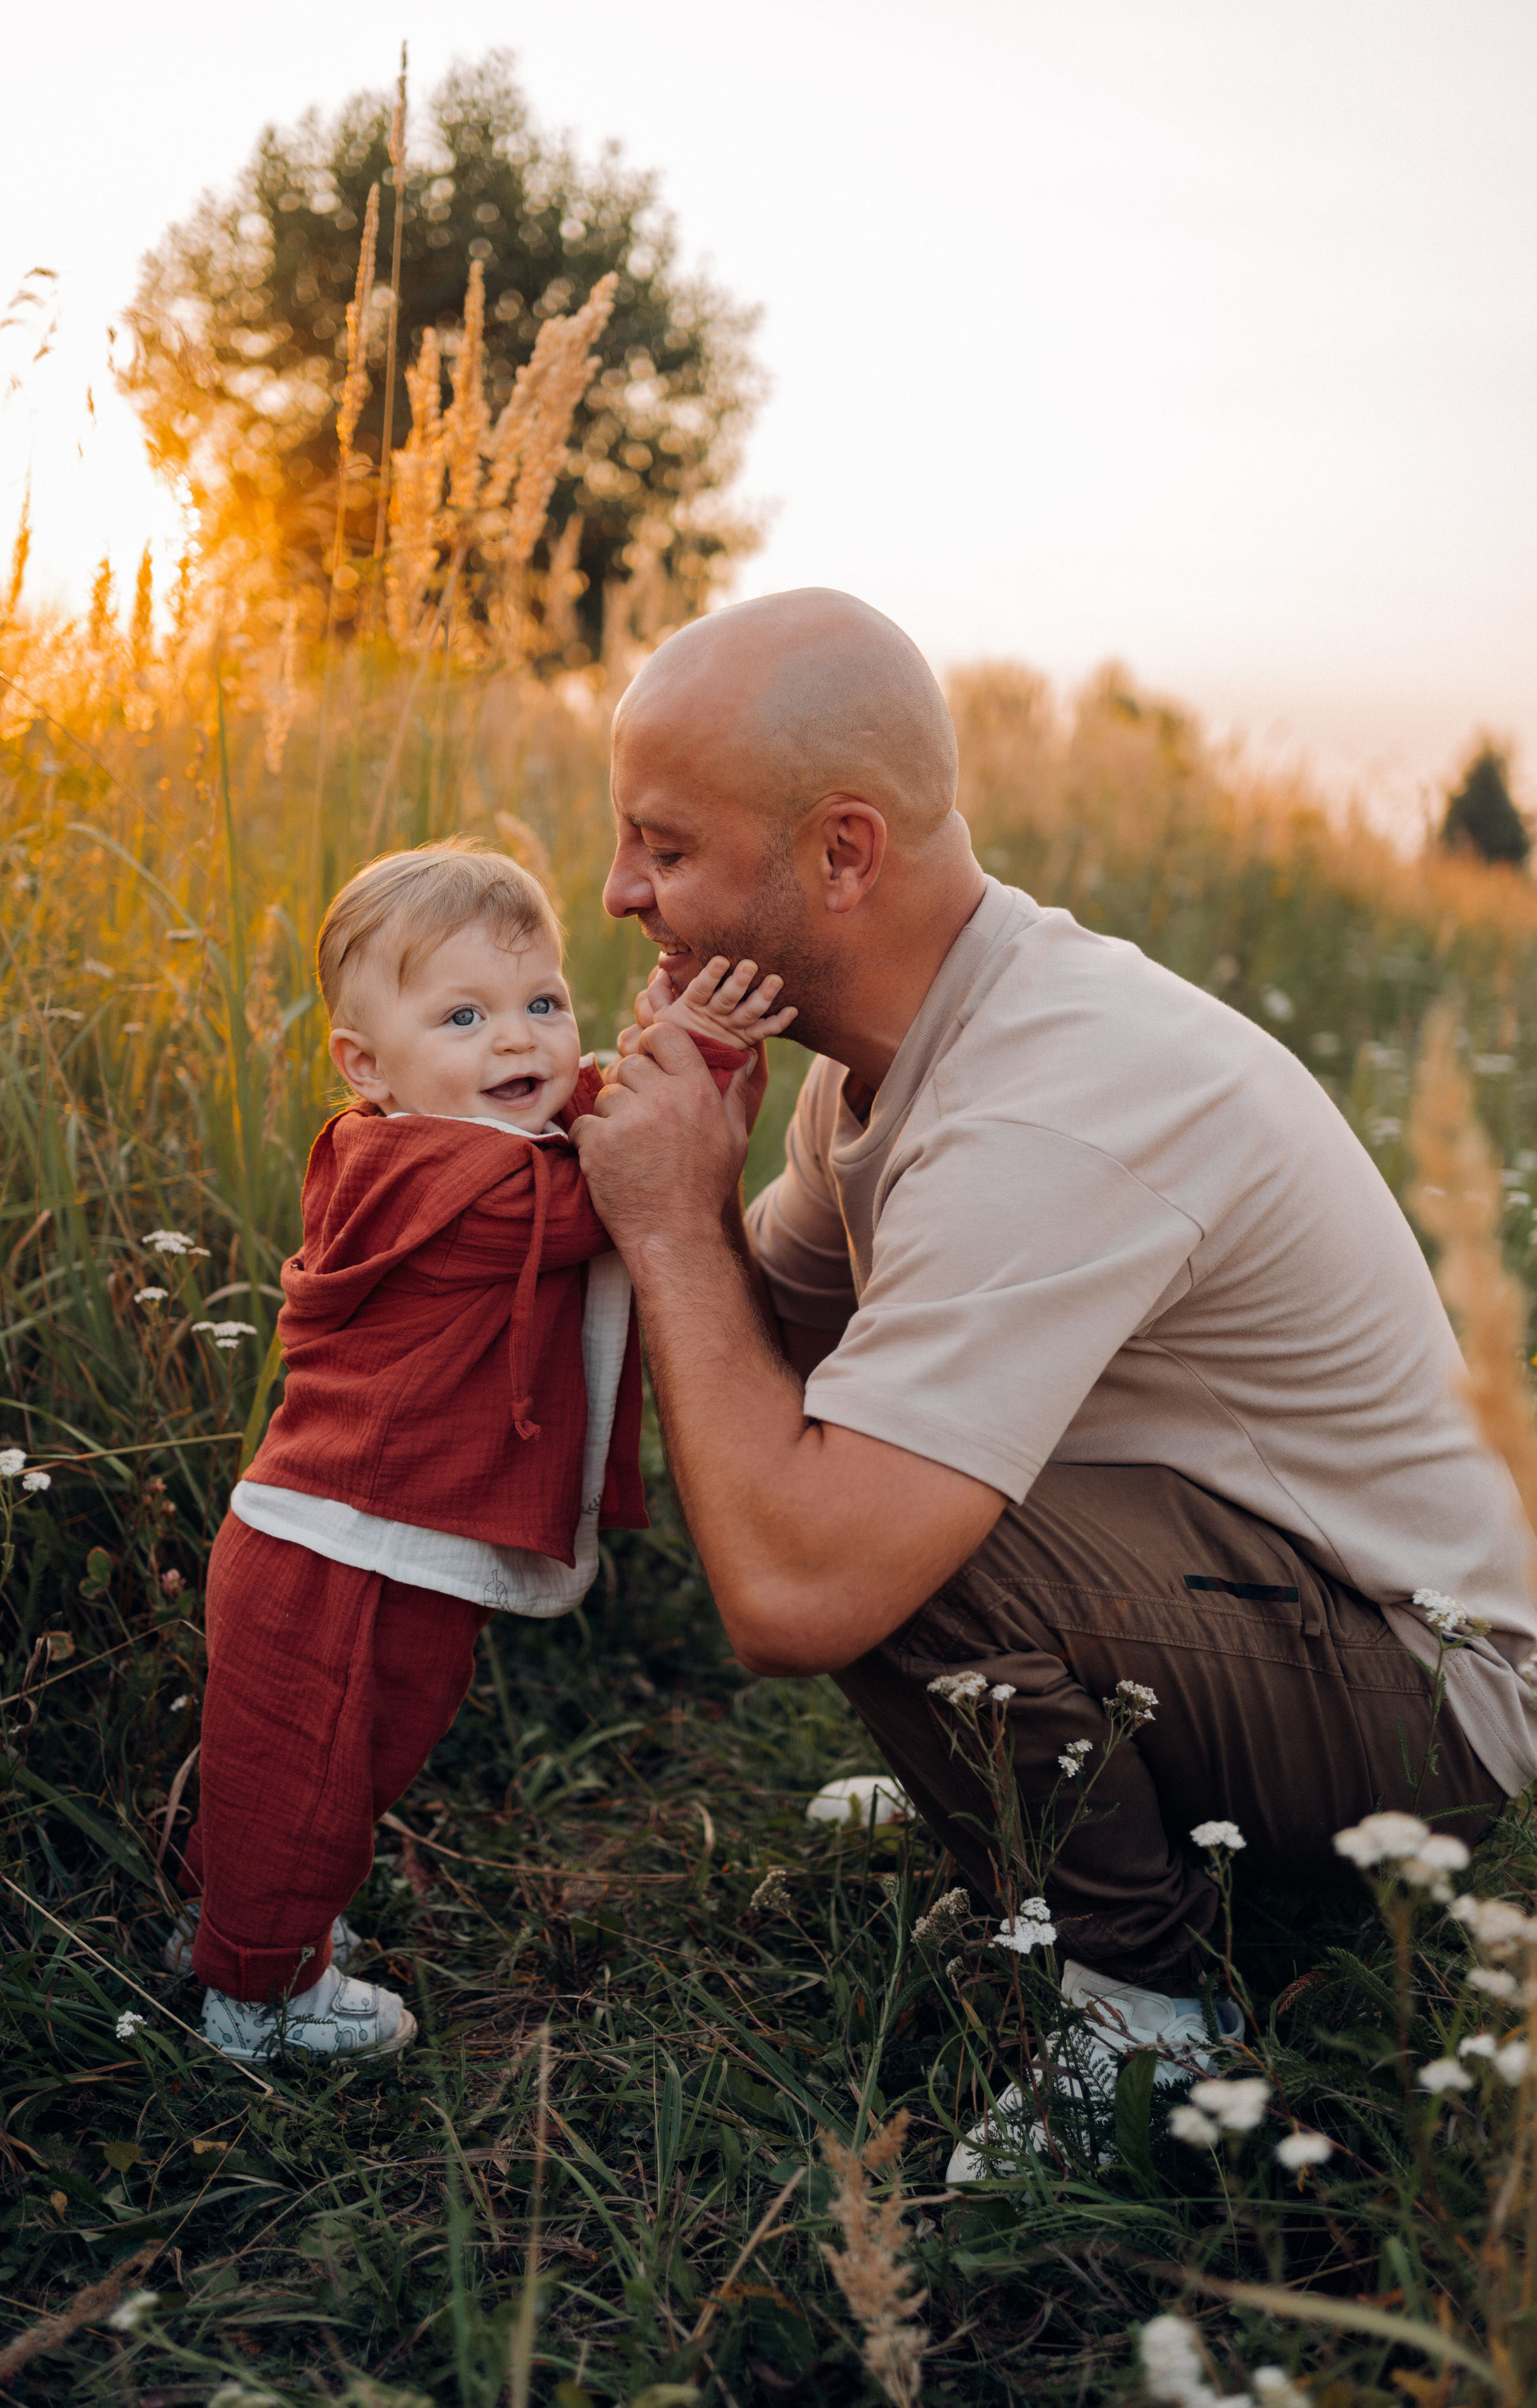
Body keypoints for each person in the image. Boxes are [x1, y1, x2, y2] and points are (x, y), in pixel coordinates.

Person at [572, 588, 1537, 2160]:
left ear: (841, 853)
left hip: (1443, 1697)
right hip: (1269, 1597)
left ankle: (1144, 2015)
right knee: (857, 1448)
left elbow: (796, 1587)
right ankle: (1038, 1785)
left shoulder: (1048, 1104)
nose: (617, 892)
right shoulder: (898, 1054)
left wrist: (675, 1230)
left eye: (664, 847)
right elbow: (766, 1343)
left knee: (891, 1539)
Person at [174, 840, 791, 2062]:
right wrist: (694, 1059)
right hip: (333, 1540)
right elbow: (607, 1188)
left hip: (391, 1535)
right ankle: (255, 1998)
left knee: (360, 1753)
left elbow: (596, 1121)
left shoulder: (466, 1133)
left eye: (542, 1004)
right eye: (462, 1015)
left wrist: (661, 1036)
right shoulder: (419, 1171)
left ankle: (261, 1926)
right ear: (367, 1066)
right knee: (299, 1768)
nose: (517, 1041)